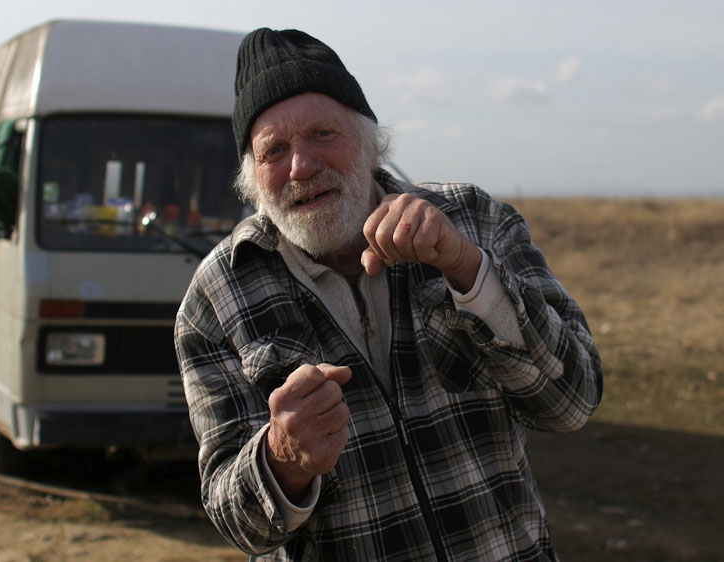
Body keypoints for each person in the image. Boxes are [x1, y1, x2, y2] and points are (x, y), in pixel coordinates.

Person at [174, 27, 603, 561]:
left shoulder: (472, 219)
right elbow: (240, 525)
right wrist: (283, 459)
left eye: (322, 133)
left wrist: (467, 268)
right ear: (252, 178)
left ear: (373, 144)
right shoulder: (215, 297)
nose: (301, 166)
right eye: (274, 150)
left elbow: (573, 401)